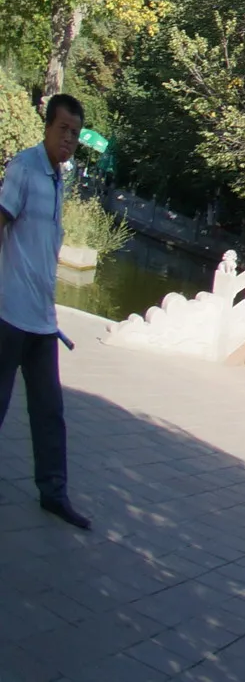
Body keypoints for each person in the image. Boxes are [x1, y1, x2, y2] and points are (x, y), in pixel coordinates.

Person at [0, 92, 91, 528]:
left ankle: (53, 493)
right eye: (63, 130)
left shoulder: (58, 179)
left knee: (49, 411)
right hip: (7, 316)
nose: (68, 139)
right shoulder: (23, 169)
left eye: (75, 133)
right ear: (47, 126)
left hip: (42, 322)